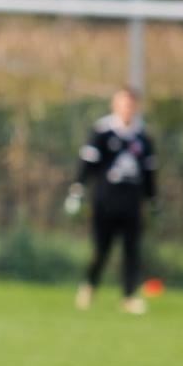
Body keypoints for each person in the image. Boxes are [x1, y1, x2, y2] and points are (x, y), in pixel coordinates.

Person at [67, 86, 158, 315]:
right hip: (105, 201)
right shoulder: (103, 132)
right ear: (115, 105)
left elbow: (149, 174)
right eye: (123, 103)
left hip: (132, 203)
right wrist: (77, 190)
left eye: (131, 104)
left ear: (135, 107)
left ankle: (129, 297)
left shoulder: (142, 137)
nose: (127, 108)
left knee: (131, 251)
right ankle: (89, 287)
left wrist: (153, 201)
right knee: (101, 249)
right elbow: (87, 165)